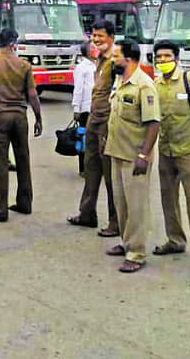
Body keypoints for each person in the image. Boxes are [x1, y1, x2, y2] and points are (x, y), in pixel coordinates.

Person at [152, 40, 190, 275]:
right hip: (165, 151)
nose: (162, 61)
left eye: (167, 56)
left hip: (188, 151)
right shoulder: (156, 84)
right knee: (168, 199)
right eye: (159, 57)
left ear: (176, 59)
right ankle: (175, 240)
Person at [104, 40, 160, 273]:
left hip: (134, 155)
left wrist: (143, 155)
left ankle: (136, 253)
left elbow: (153, 122)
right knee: (122, 203)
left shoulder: (144, 86)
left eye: (116, 56)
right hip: (117, 151)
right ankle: (126, 242)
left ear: (129, 59)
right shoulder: (120, 81)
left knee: (136, 206)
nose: (112, 59)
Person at [0, 28, 43, 222]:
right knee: (23, 159)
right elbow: (32, 94)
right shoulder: (24, 65)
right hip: (20, 116)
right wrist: (38, 117)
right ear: (14, 43)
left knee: (1, 163)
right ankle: (24, 202)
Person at [67, 20, 119, 237]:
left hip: (108, 122)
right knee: (90, 168)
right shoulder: (98, 61)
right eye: (94, 36)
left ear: (111, 37)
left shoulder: (116, 62)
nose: (96, 40)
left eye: (101, 36)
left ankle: (115, 222)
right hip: (94, 119)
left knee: (110, 175)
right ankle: (87, 213)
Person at [72, 40, 96, 176]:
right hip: (85, 109)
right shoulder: (82, 67)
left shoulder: (97, 65)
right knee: (84, 139)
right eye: (92, 47)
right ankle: (83, 168)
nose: (95, 49)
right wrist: (77, 109)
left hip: (96, 108)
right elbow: (78, 89)